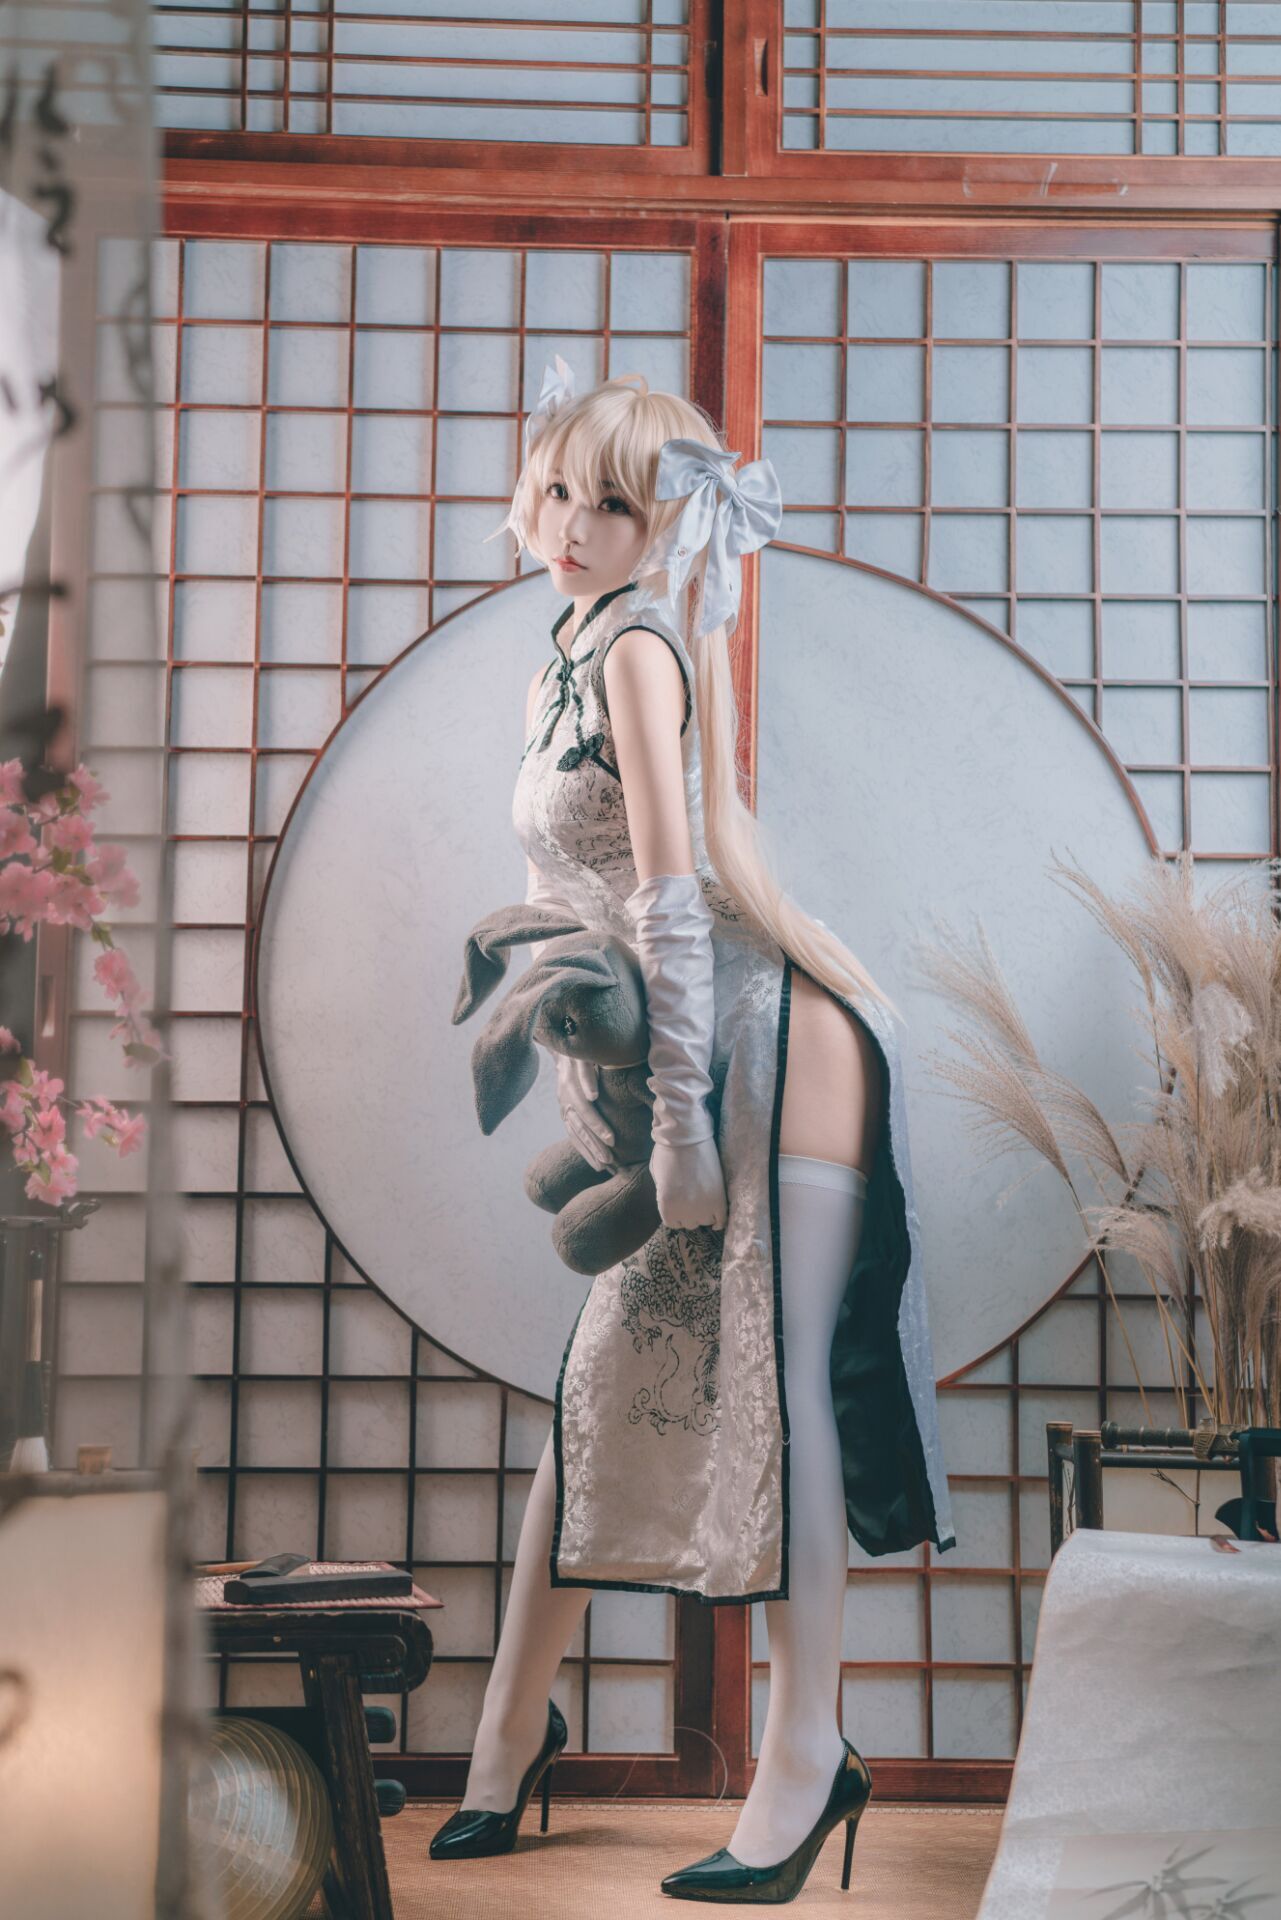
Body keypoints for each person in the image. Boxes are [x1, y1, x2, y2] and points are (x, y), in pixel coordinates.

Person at [429, 363, 955, 1901]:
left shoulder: (639, 645)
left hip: (760, 1047)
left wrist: (671, 1129)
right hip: (676, 1048)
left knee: (780, 1401)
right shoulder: (568, 640)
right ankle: (508, 1735)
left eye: (613, 502)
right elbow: (586, 900)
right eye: (559, 490)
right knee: (597, 1387)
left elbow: (666, 898)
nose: (574, 524)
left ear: (662, 523)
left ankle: (805, 1761)